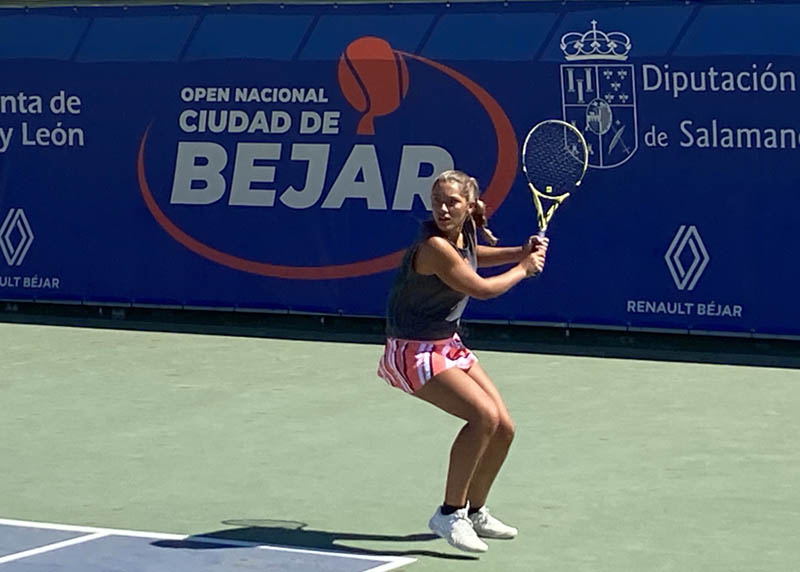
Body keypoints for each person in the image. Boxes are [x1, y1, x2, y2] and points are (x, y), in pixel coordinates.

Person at [377, 169, 548, 553]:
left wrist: (518, 251)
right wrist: (524, 268)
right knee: (482, 417)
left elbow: (474, 256)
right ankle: (449, 513)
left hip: (445, 344)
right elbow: (483, 289)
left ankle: (475, 512)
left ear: (469, 206)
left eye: (452, 202)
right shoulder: (434, 247)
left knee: (504, 427)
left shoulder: (462, 234)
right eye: (437, 201)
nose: (442, 208)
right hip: (412, 350)